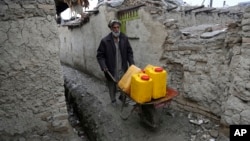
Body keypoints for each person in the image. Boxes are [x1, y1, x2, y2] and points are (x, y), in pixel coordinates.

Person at [96, 19, 135, 106]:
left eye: (118, 27)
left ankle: (122, 98)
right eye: (114, 28)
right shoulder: (105, 41)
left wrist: (131, 63)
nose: (116, 29)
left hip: (122, 67)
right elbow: (100, 55)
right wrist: (103, 66)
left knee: (123, 84)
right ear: (111, 28)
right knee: (112, 85)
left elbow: (129, 52)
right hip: (111, 68)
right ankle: (113, 100)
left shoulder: (124, 38)